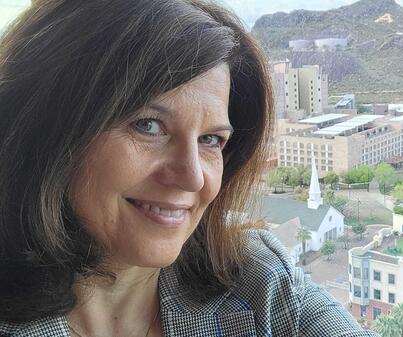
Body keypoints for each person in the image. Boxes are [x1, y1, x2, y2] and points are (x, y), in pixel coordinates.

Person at [0, 1, 379, 336]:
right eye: (148, 125)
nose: (193, 177)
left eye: (210, 140)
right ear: (46, 133)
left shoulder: (256, 280)